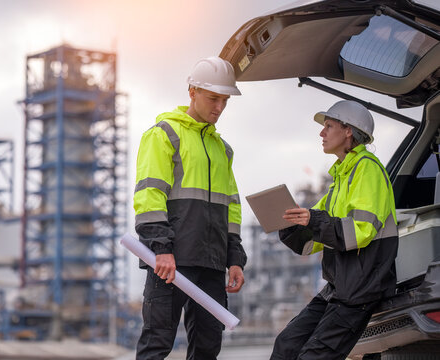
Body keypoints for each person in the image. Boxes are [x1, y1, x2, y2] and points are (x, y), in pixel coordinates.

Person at [133, 56, 247, 360]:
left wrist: (234, 258)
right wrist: (161, 248)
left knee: (208, 348)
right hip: (171, 261)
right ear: (192, 91)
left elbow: (231, 207)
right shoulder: (164, 134)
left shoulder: (222, 149)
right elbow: (149, 196)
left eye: (225, 100)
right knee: (157, 344)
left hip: (211, 265)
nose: (219, 107)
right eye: (213, 98)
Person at [270, 100, 399, 360]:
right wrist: (289, 224)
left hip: (361, 289)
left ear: (348, 130)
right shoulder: (341, 178)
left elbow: (359, 233)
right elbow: (311, 243)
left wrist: (313, 220)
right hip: (338, 287)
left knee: (313, 356)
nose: (322, 133)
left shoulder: (368, 170)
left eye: (328, 126)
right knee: (286, 345)